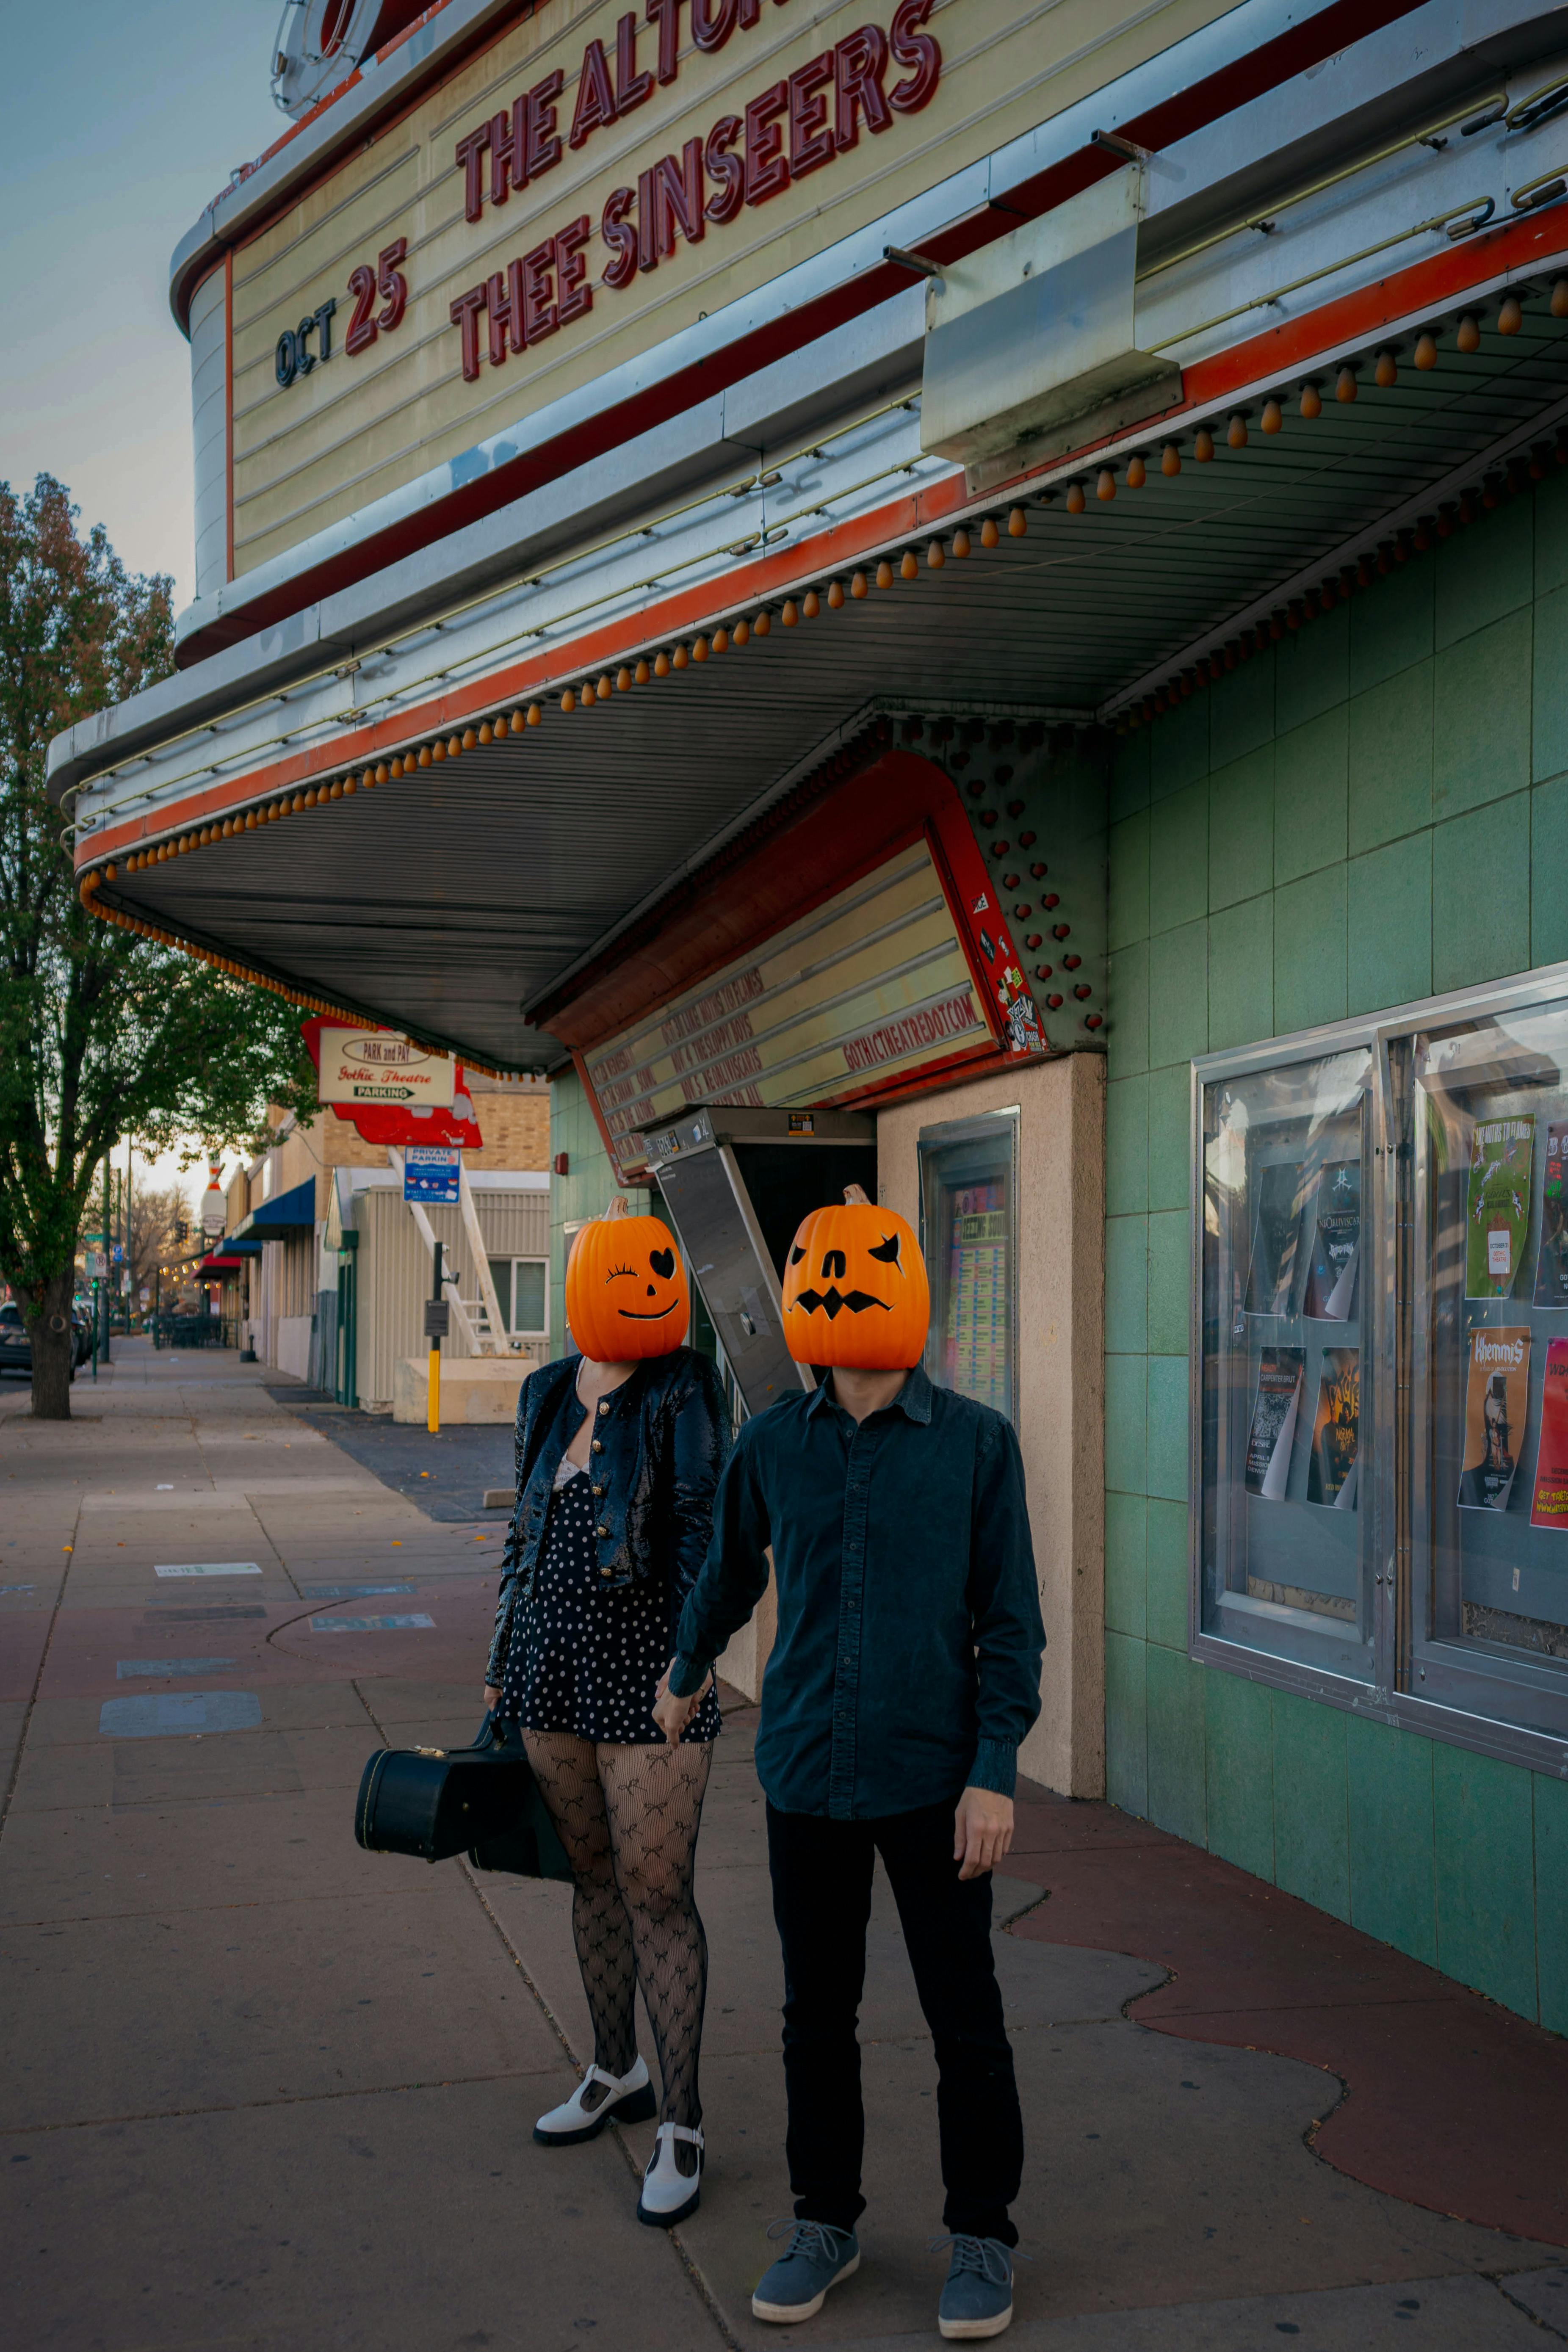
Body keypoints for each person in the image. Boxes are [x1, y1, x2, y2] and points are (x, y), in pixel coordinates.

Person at [654, 1187, 1044, 2340]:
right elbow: (727, 1573)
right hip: (806, 1770)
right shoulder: (775, 1439)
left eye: (861, 1267)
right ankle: (825, 2220)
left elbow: (1011, 1621)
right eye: (817, 1269)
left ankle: (983, 2234)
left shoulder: (977, 1443)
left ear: (909, 1288)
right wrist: (685, 1670)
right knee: (814, 2015)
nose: (833, 1284)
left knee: (962, 2013)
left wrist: (996, 1768)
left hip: (935, 1779)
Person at [484, 1197, 728, 2225]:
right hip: (548, 1668)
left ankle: (682, 2123)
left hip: (649, 1674)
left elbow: (705, 1532)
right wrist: (500, 1658)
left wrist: (691, 1662)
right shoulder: (546, 1391)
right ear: (582, 1284)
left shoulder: (681, 1389)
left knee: (656, 1893)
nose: (639, 1288)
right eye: (616, 1273)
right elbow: (521, 1538)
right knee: (590, 1883)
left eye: (653, 1272)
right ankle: (612, 2070)